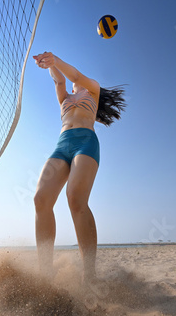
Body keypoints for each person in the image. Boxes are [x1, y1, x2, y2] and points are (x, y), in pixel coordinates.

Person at [32, 52, 126, 282]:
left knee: (75, 198)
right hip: (62, 145)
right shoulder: (64, 98)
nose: (75, 81)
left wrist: (55, 60)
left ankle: (89, 275)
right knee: (40, 199)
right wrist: (49, 66)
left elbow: (72, 74)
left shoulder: (92, 89)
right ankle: (46, 272)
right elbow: (60, 80)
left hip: (85, 142)